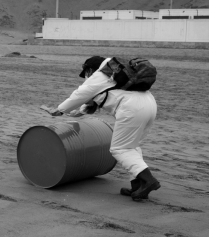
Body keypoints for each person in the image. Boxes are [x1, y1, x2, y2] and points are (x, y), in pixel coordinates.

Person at [47, 56, 160, 201]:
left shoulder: (100, 75)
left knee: (120, 149)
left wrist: (60, 109)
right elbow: (92, 99)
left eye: (86, 73)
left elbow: (80, 94)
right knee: (132, 146)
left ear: (89, 69)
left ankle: (149, 181)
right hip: (149, 105)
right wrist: (77, 112)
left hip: (132, 109)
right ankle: (137, 185)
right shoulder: (115, 73)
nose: (86, 77)